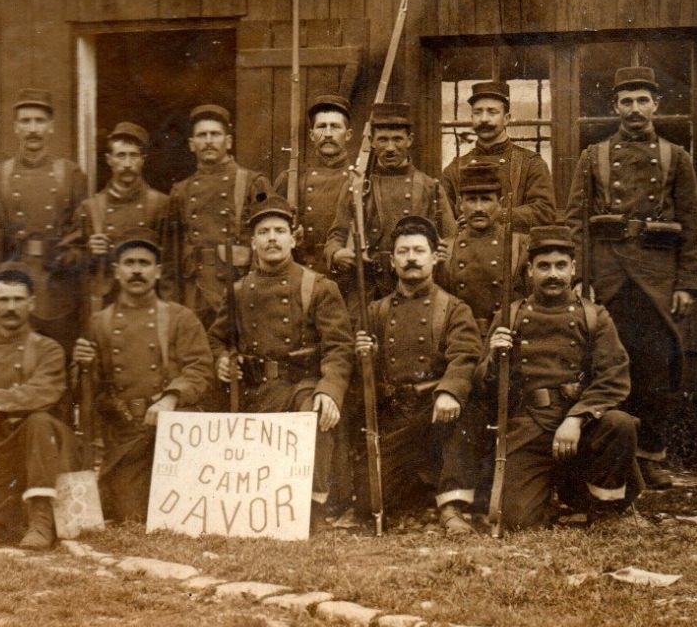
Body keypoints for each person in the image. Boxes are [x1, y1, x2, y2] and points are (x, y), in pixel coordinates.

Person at [563, 66, 697, 488]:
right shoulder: (594, 156)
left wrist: (688, 283)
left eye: (643, 100)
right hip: (607, 279)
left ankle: (652, 455)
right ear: (615, 107)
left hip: (658, 281)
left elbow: (694, 225)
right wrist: (577, 276)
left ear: (656, 105)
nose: (635, 109)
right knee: (607, 364)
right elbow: (575, 220)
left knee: (656, 368)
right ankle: (613, 453)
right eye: (626, 101)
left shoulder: (675, 157)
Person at [482, 226, 638, 530]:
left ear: (573, 268)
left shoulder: (594, 317)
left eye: (560, 265)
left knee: (620, 424)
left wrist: (577, 418)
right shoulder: (508, 316)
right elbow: (484, 387)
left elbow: (614, 377)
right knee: (518, 523)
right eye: (544, 266)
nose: (553, 274)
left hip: (580, 429)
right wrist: (493, 358)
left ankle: (605, 510)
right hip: (529, 427)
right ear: (529, 270)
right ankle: (550, 497)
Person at [210, 201, 353, 523]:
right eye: (263, 232)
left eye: (279, 231)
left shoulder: (317, 286)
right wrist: (221, 359)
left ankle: (312, 506)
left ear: (294, 239)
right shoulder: (238, 291)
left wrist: (329, 390)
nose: (272, 238)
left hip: (300, 386)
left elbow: (339, 347)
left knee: (315, 413)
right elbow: (217, 337)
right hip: (254, 391)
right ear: (253, 242)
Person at [352, 215, 483, 533]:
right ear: (392, 261)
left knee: (465, 414)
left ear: (434, 257)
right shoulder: (375, 312)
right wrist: (362, 355)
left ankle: (452, 507)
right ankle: (416, 491)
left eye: (419, 251)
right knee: (371, 496)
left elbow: (465, 355)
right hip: (395, 416)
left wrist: (450, 390)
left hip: (436, 414)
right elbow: (357, 371)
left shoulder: (453, 309)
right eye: (403, 252)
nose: (411, 258)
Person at [72, 229, 213, 522]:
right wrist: (82, 365)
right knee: (131, 516)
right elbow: (88, 389)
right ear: (116, 271)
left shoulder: (179, 317)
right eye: (129, 263)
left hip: (171, 431)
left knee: (181, 513)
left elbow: (199, 368)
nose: (137, 270)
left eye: (145, 263)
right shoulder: (99, 322)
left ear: (158, 271)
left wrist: (171, 398)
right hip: (126, 434)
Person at [0, 263, 78, 549]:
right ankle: (12, 512)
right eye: (4, 300)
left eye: (18, 299)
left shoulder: (48, 349)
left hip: (43, 450)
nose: (11, 307)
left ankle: (41, 521)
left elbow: (40, 394)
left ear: (31, 303)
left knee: (38, 421)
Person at [0, 88, 89, 354]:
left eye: (39, 121)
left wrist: (70, 256)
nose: (33, 129)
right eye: (26, 121)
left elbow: (82, 234)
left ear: (51, 127)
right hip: (13, 290)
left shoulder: (70, 174)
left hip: (58, 290)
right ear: (15, 127)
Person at [326, 101, 455, 307]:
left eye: (397, 139)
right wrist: (336, 253)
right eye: (383, 140)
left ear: (409, 140)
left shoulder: (430, 187)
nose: (390, 148)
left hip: (416, 289)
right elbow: (337, 234)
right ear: (371, 141)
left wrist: (440, 256)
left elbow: (451, 239)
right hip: (366, 290)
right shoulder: (358, 186)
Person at [166, 104, 272, 330]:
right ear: (192, 145)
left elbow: (269, 239)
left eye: (215, 134)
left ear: (229, 141)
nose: (209, 141)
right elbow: (170, 256)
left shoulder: (253, 183)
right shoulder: (180, 192)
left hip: (237, 290)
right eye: (202, 135)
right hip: (194, 294)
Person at [67, 122, 170, 306]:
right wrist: (88, 251)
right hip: (106, 304)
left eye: (133, 155)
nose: (128, 164)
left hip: (150, 304)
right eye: (121, 156)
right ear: (109, 159)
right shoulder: (90, 209)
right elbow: (66, 262)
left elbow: (170, 264)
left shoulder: (161, 205)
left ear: (143, 159)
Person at [439, 80, 555, 234]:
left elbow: (544, 212)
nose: (484, 119)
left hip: (515, 253)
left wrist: (497, 216)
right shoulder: (455, 169)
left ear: (506, 118)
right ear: (472, 117)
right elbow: (441, 218)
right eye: (478, 112)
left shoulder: (530, 163)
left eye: (492, 112)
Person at [437, 161, 525, 328]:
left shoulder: (519, 246)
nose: (478, 208)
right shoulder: (446, 250)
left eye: (485, 199)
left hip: (506, 336)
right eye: (471, 200)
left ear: (500, 203)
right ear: (460, 204)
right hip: (460, 338)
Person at [278, 94, 355, 276]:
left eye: (335, 127)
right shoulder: (291, 179)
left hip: (346, 276)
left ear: (348, 134)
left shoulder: (360, 179)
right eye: (321, 126)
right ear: (312, 135)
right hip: (303, 273)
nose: (328, 134)